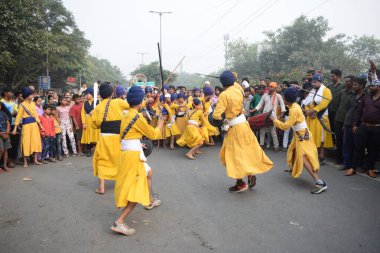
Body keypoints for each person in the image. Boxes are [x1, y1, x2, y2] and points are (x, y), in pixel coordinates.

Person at [112, 85, 165, 236]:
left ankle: (150, 200)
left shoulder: (127, 114)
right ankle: (119, 222)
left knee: (149, 173)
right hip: (133, 156)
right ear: (140, 101)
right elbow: (154, 134)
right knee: (136, 191)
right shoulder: (137, 117)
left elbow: (128, 134)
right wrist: (161, 121)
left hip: (131, 151)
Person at [213, 70, 273, 193]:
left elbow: (216, 115)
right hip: (244, 125)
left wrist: (222, 121)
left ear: (223, 83)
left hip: (234, 128)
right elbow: (234, 79)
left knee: (234, 156)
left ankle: (240, 183)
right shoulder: (239, 88)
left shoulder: (224, 95)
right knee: (246, 152)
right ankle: (250, 175)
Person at [269, 87, 327, 194]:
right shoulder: (294, 105)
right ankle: (293, 168)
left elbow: (286, 126)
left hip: (302, 136)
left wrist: (274, 120)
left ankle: (319, 182)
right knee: (293, 150)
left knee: (303, 158)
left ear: (286, 99)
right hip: (299, 134)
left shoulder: (294, 109)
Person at [92, 83, 130, 194]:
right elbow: (131, 106)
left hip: (104, 137)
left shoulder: (98, 107)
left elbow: (94, 125)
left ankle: (101, 188)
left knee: (102, 160)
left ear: (100, 95)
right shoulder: (118, 102)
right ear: (112, 93)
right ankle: (122, 183)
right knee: (119, 159)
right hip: (118, 137)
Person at [347, 79, 380, 178]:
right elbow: (358, 112)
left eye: (373, 86)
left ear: (378, 87)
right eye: (370, 86)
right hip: (363, 126)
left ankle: (370, 169)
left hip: (376, 128)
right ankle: (353, 168)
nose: (370, 88)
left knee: (373, 150)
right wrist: (355, 125)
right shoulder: (366, 98)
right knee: (358, 148)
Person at [304, 73, 333, 165]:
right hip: (311, 117)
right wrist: (308, 111)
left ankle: (321, 156)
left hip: (321, 116)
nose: (313, 84)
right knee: (312, 137)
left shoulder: (326, 90)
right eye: (312, 82)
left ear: (320, 82)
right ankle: (313, 156)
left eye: (315, 82)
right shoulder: (312, 91)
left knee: (321, 138)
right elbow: (307, 103)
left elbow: (325, 102)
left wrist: (314, 110)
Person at [12, 87, 43, 167]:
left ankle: (35, 160)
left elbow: (36, 115)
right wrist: (15, 128)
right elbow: (18, 117)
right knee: (26, 142)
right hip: (26, 126)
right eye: (31, 94)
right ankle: (25, 162)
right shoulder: (22, 105)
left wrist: (40, 125)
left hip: (34, 126)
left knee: (36, 141)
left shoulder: (33, 104)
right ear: (27, 95)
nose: (32, 96)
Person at [252, 82, 286, 152]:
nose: (270, 88)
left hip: (273, 115)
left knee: (273, 131)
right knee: (262, 130)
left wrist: (282, 112)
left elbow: (282, 105)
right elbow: (260, 104)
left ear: (275, 88)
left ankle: (276, 146)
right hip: (264, 115)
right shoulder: (265, 95)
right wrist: (254, 109)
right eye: (269, 86)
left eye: (272, 87)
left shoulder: (278, 96)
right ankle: (261, 145)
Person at [344, 76, 366, 176]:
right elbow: (348, 110)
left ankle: (358, 166)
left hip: (358, 126)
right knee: (347, 145)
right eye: (353, 85)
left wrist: (357, 125)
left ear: (361, 86)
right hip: (348, 124)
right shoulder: (352, 96)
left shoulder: (366, 97)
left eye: (355, 85)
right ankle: (347, 164)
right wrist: (345, 123)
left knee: (357, 147)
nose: (353, 86)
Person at [333, 75, 355, 166]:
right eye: (345, 81)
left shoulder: (354, 94)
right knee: (338, 140)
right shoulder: (342, 92)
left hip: (348, 121)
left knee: (347, 142)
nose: (345, 83)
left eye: (347, 81)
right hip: (338, 119)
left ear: (352, 82)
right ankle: (339, 159)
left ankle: (348, 161)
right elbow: (338, 105)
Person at [327, 69, 344, 163]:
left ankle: (339, 156)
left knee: (338, 133)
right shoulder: (329, 86)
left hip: (338, 113)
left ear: (338, 76)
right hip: (329, 111)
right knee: (330, 130)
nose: (331, 77)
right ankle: (331, 145)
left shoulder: (343, 87)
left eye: (333, 76)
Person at [1, 87, 18, 167]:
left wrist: (11, 115)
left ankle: (11, 159)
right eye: (10, 92)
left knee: (12, 143)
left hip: (12, 124)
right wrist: (10, 115)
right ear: (5, 93)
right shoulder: (1, 102)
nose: (11, 94)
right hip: (2, 125)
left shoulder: (13, 103)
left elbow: (16, 111)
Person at [81, 87, 99, 157]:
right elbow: (82, 113)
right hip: (87, 121)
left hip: (95, 121)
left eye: (88, 94)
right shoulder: (84, 103)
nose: (87, 96)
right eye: (86, 94)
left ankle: (96, 150)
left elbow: (100, 110)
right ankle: (88, 150)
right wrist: (83, 123)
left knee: (96, 135)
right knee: (88, 136)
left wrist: (94, 111)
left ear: (92, 94)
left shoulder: (97, 102)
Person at [0, 102, 12, 172]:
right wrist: (2, 134)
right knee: (1, 149)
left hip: (6, 134)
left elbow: (8, 123)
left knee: (6, 150)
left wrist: (7, 132)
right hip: (0, 134)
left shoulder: (3, 113)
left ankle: (4, 165)